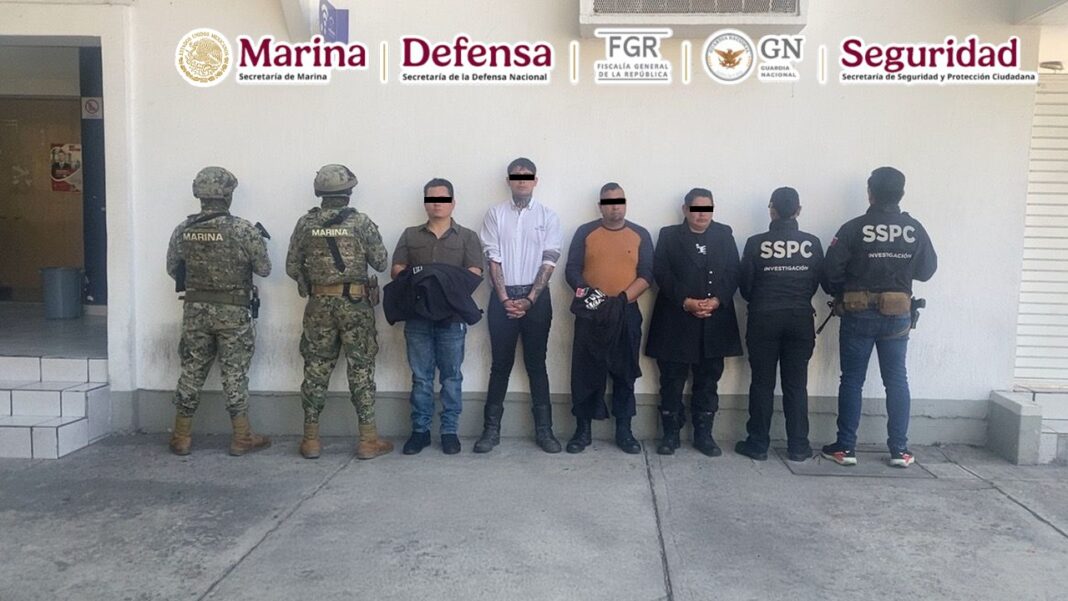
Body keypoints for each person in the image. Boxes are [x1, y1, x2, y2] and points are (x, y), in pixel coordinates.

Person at [821, 166, 937, 468]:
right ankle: (900, 450)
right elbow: (927, 271)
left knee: (852, 380)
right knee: (896, 380)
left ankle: (846, 448)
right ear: (901, 193)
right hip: (898, 315)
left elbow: (830, 273)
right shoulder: (913, 228)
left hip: (858, 314)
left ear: (870, 193)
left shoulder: (853, 228)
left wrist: (844, 291)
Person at [286, 164, 392, 460]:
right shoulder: (361, 223)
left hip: (318, 305)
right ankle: (368, 440)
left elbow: (292, 266)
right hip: (355, 305)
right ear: (349, 191)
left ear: (320, 192)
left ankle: (310, 441)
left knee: (316, 368)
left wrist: (311, 283)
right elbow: (381, 262)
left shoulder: (305, 224)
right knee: (361, 368)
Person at [165, 166, 271, 456]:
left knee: (191, 370)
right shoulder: (243, 230)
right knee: (234, 373)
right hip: (233, 311)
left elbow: (173, 269)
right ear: (228, 195)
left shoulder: (183, 230)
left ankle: (181, 436)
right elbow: (264, 269)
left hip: (195, 312)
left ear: (198, 194)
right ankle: (241, 437)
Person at [474, 157, 563, 454]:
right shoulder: (495, 214)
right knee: (500, 365)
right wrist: (505, 299)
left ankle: (545, 431)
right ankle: (490, 431)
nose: (521, 180)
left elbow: (550, 260)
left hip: (537, 300)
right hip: (502, 299)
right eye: (516, 176)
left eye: (527, 176)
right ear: (509, 181)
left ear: (536, 181)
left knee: (537, 365)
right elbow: (492, 257)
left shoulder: (548, 217)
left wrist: (529, 300)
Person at [645, 187, 742, 457]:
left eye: (707, 209)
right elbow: (661, 272)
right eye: (696, 209)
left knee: (708, 380)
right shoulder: (668, 235)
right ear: (685, 210)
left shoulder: (724, 234)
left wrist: (718, 299)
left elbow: (734, 271)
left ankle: (704, 435)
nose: (702, 214)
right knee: (671, 380)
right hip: (675, 319)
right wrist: (685, 301)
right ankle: (670, 435)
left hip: (714, 320)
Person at [389, 178, 483, 455]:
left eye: (442, 199)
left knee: (452, 377)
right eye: (431, 199)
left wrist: (431, 276)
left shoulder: (467, 236)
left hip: (452, 318)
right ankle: (420, 432)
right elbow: (397, 271)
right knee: (421, 377)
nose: (437, 204)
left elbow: (474, 274)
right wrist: (434, 278)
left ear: (453, 203)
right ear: (425, 203)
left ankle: (449, 432)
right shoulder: (410, 235)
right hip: (417, 316)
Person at [735, 187, 825, 462]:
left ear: (771, 210)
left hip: (763, 318)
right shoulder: (812, 243)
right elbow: (816, 282)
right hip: (799, 318)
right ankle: (798, 446)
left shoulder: (755, 243)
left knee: (762, 383)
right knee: (796, 385)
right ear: (798, 210)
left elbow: (745, 287)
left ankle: (757, 444)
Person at [563, 182, 654, 454]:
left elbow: (647, 274)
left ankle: (624, 431)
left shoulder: (640, 234)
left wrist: (622, 300)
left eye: (619, 202)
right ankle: (582, 431)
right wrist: (594, 297)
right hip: (591, 310)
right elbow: (572, 270)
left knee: (625, 373)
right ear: (600, 206)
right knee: (585, 372)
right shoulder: (585, 232)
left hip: (626, 310)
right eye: (609, 202)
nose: (615, 207)